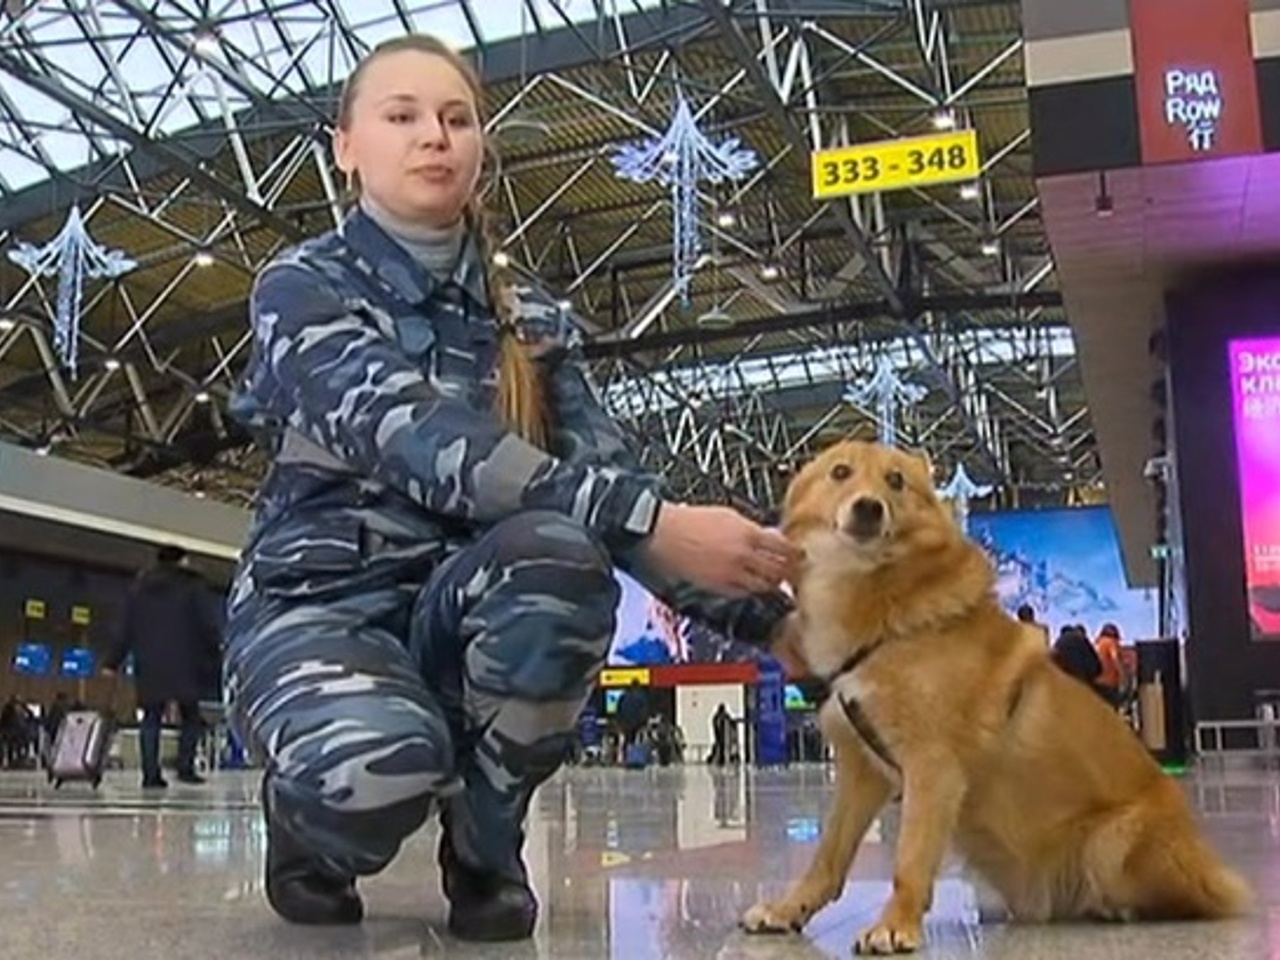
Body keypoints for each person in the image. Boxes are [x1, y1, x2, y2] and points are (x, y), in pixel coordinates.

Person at [221, 34, 802, 942]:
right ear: (346, 146)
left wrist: (782, 627)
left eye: (457, 119)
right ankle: (311, 836)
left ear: (481, 145)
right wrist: (653, 517)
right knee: (377, 770)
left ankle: (485, 847)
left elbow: (611, 484)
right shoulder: (302, 289)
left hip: (464, 611)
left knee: (563, 558)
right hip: (322, 608)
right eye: (402, 116)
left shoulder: (531, 320)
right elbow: (421, 440)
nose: (435, 137)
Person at [103, 544, 223, 788]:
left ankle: (150, 774)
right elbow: (207, 624)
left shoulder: (138, 589)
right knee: (190, 716)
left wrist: (111, 662)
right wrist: (218, 649)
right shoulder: (193, 586)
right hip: (186, 660)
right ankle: (185, 768)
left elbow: (125, 628)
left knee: (151, 718)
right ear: (182, 561)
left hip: (149, 662)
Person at [1093, 623, 1127, 708]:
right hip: (1110, 682)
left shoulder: (1097, 643)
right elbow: (1115, 658)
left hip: (1097, 681)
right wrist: (1123, 675)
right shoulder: (1111, 643)